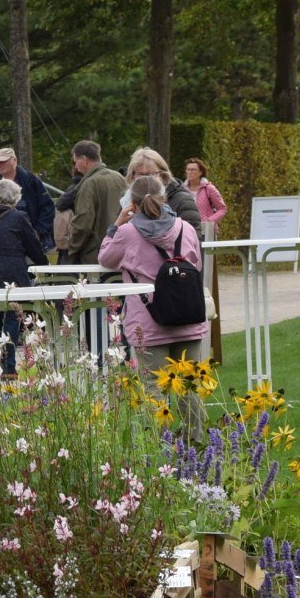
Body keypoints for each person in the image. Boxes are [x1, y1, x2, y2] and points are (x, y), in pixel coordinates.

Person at [99, 175, 209, 429]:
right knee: (189, 385)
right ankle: (197, 448)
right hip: (188, 316)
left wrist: (115, 225)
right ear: (164, 198)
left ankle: (162, 453)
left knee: (154, 388)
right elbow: (197, 265)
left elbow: (106, 258)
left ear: (132, 204)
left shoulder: (127, 233)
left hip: (147, 322)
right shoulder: (185, 227)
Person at [0, 179, 47, 377]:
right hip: (12, 272)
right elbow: (33, 246)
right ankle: (8, 366)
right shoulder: (19, 217)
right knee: (13, 317)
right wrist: (43, 264)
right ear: (15, 198)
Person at [0, 147, 54, 252]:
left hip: (30, 240)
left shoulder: (31, 181)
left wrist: (38, 232)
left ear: (14, 160)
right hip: (1, 240)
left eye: (3, 161)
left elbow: (47, 207)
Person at [69, 141, 125, 267]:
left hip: (95, 255)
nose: (76, 167)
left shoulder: (88, 184)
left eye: (75, 161)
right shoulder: (120, 178)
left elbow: (83, 223)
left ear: (84, 160)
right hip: (122, 251)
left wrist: (71, 249)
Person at [124, 147, 201, 222]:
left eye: (151, 174)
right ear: (132, 176)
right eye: (140, 174)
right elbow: (118, 233)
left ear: (163, 175)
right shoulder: (127, 199)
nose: (146, 179)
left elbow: (192, 233)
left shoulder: (182, 200)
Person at [183, 159, 227, 240]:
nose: (190, 172)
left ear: (200, 172)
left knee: (205, 253)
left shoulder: (208, 188)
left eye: (193, 170)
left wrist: (209, 221)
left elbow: (222, 209)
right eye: (188, 169)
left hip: (206, 232)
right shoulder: (182, 190)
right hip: (186, 232)